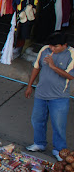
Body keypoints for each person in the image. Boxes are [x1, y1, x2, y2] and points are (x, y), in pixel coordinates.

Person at [25, 32, 74, 160]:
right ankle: (39, 143)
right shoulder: (44, 50)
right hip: (41, 94)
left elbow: (70, 76)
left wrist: (53, 66)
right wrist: (30, 86)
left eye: (56, 46)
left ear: (64, 45)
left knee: (58, 124)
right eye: (51, 46)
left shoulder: (71, 54)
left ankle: (59, 150)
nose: (52, 49)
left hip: (59, 97)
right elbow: (36, 67)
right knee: (37, 120)